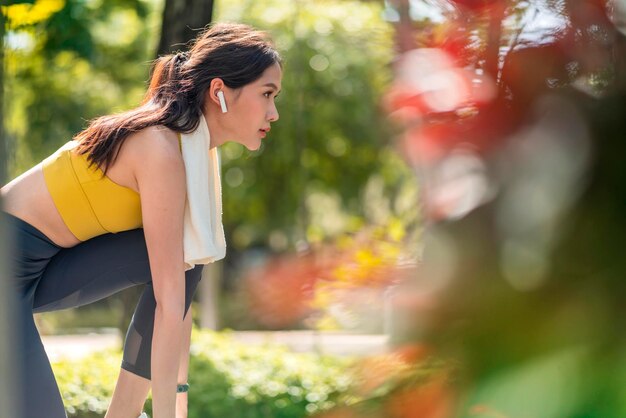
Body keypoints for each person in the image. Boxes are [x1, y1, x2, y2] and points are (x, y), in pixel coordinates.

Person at [0, 22, 282, 418]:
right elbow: (169, 305)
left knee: (187, 260)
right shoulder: (160, 149)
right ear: (219, 92)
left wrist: (178, 406)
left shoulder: (190, 155)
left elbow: (177, 293)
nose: (274, 112)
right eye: (266, 94)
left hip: (43, 267)